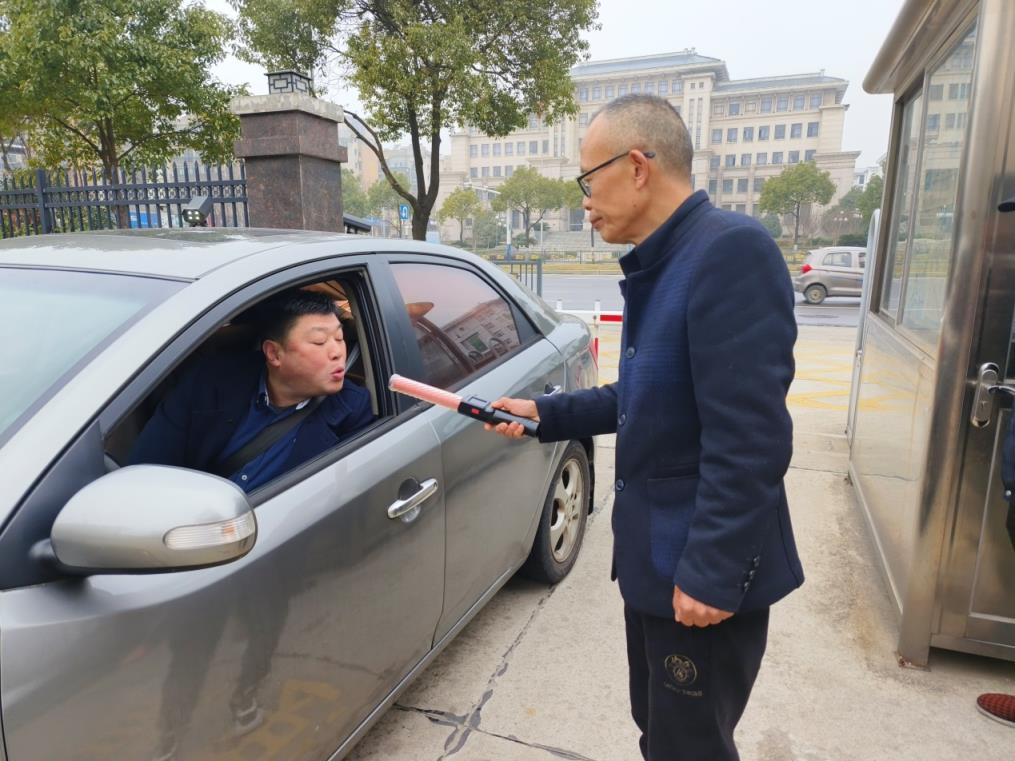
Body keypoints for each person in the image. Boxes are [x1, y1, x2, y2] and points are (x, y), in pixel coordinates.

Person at [486, 94, 803, 761]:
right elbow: (648, 395)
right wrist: (547, 414)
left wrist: (713, 571)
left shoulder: (726, 252)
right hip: (658, 564)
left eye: (586, 179)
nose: (583, 200)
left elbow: (749, 437)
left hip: (699, 575)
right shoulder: (662, 261)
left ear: (635, 167)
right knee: (659, 733)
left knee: (688, 747)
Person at [130, 288, 374, 491]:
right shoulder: (212, 381)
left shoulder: (352, 410)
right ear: (274, 353)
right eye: (320, 342)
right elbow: (148, 471)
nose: (337, 353)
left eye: (340, 339)